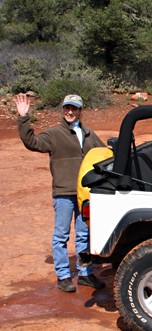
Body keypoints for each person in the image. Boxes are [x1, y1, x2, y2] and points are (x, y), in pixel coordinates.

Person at [14, 93, 106, 293]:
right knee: (61, 235)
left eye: (74, 108)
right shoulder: (54, 134)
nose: (70, 112)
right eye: (67, 108)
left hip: (85, 194)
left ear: (81, 111)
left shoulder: (89, 133)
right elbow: (32, 141)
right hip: (64, 193)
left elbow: (104, 154)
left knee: (84, 234)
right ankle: (63, 276)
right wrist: (23, 118)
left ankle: (85, 273)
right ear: (63, 110)